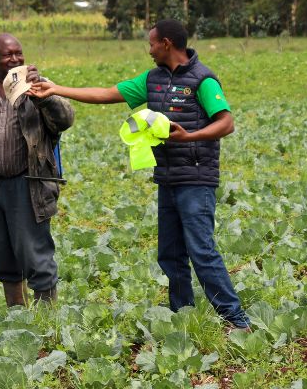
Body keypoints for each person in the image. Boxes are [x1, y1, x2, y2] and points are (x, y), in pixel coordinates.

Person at [31, 19, 250, 329]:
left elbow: (226, 123)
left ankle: (237, 321)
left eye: (151, 43)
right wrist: (55, 89)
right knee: (170, 254)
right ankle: (182, 316)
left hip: (197, 178)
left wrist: (188, 137)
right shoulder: (153, 79)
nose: (149, 50)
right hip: (168, 177)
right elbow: (107, 93)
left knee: (201, 250)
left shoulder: (203, 80)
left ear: (167, 44)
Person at [0, 33, 74, 306]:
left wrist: (43, 93)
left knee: (35, 252)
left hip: (27, 184)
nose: (15, 59)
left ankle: (46, 319)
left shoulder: (37, 88)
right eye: (8, 55)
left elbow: (66, 120)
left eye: (18, 53)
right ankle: (16, 313)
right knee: (2, 253)